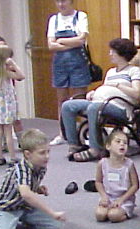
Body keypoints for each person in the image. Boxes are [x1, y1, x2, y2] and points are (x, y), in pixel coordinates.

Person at [62, 37, 140, 162]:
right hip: (100, 103)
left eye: (113, 51)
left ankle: (95, 149)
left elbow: (137, 94)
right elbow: (106, 88)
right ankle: (74, 144)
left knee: (94, 107)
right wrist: (94, 92)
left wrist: (117, 85)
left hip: (120, 108)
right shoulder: (111, 72)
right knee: (68, 105)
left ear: (122, 54)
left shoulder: (134, 71)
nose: (110, 54)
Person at [0, 129, 66, 229]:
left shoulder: (41, 166)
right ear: (28, 154)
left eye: (48, 152)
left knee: (56, 226)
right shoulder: (21, 169)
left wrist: (37, 188)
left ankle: (18, 222)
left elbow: (26, 186)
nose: (47, 156)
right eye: (42, 153)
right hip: (8, 208)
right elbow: (26, 194)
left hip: (25, 206)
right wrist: (52, 213)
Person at [47, 0, 91, 146]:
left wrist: (60, 40)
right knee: (62, 101)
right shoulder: (54, 19)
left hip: (78, 63)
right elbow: (51, 45)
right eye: (58, 1)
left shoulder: (81, 16)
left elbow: (81, 40)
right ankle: (63, 133)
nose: (61, 4)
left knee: (81, 100)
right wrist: (71, 42)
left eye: (64, 0)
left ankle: (85, 133)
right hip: (60, 65)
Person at [0, 44, 25, 166]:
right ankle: (13, 157)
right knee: (8, 131)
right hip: (6, 104)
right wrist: (13, 64)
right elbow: (21, 76)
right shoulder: (5, 72)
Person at [94, 129, 140, 223]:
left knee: (113, 216)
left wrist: (121, 200)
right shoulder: (102, 163)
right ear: (108, 146)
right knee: (100, 215)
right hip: (108, 197)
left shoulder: (129, 164)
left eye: (125, 143)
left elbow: (135, 186)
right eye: (118, 142)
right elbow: (98, 182)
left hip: (124, 199)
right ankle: (110, 210)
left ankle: (125, 214)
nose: (122, 144)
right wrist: (103, 196)